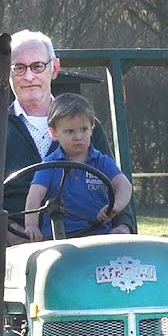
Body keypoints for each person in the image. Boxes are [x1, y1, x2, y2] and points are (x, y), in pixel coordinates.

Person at [0, 30, 137, 336]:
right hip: (14, 239)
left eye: (37, 66)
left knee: (134, 269)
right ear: (8, 75)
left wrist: (123, 226)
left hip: (84, 236)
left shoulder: (85, 127)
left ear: (55, 68)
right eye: (19, 68)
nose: (29, 76)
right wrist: (7, 233)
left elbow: (117, 183)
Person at [24, 93, 133, 241]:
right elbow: (35, 195)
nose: (78, 137)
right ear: (53, 133)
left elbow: (124, 185)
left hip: (99, 235)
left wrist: (115, 206)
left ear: (91, 129)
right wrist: (31, 225)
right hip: (58, 238)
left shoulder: (101, 162)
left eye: (84, 129)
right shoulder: (50, 164)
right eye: (70, 131)